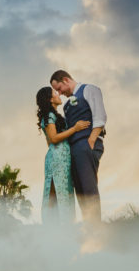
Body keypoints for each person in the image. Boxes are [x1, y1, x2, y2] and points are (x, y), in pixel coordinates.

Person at [49, 70, 106, 224]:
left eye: (59, 88)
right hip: (73, 149)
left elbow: (100, 117)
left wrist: (91, 142)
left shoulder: (89, 90)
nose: (60, 93)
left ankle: (96, 228)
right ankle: (88, 226)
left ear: (66, 80)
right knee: (80, 190)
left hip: (86, 144)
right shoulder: (67, 105)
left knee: (89, 187)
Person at [35, 86, 90, 223]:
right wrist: (75, 128)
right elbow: (53, 139)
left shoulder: (55, 115)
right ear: (50, 99)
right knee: (55, 191)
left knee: (65, 191)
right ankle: (50, 225)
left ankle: (64, 224)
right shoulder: (49, 116)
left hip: (63, 157)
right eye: (55, 93)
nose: (58, 94)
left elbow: (50, 141)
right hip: (57, 158)